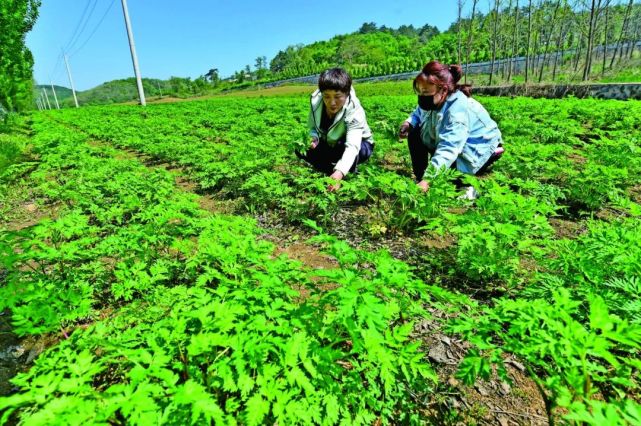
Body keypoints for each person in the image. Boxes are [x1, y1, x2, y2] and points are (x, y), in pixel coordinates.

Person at [398, 61, 504, 197]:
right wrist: (408, 123)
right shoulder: (433, 99)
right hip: (453, 143)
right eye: (419, 92)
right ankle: (421, 178)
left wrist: (429, 179)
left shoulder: (457, 111)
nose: (421, 97)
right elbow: (419, 112)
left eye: (425, 92)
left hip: (478, 148)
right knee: (414, 133)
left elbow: (449, 148)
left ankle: (468, 188)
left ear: (443, 90)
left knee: (454, 180)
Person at [296, 68, 374, 192]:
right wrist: (313, 137)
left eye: (338, 97)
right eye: (326, 96)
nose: (332, 102)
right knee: (301, 148)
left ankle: (340, 173)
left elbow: (352, 146)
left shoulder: (354, 108)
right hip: (331, 142)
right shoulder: (316, 102)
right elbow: (312, 128)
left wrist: (340, 172)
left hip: (361, 146)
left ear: (347, 93)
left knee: (342, 147)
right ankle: (328, 173)